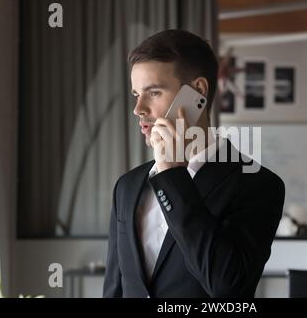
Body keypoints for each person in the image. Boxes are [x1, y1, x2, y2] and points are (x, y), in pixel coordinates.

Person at [103, 29, 285, 298]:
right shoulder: (127, 186)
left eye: (153, 92)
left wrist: (173, 175)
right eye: (136, 94)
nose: (138, 108)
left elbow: (228, 287)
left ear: (197, 92)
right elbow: (115, 290)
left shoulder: (258, 185)